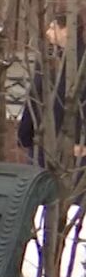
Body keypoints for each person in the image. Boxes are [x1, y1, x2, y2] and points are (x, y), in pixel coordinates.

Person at [18, 14, 86, 167]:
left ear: (66, 30)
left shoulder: (77, 64)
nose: (48, 33)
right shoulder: (50, 60)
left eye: (53, 28)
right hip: (45, 140)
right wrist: (26, 134)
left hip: (69, 144)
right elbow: (35, 98)